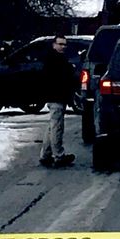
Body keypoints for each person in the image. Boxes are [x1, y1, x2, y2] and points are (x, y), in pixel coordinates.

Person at [39, 34, 77, 168]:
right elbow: (61, 79)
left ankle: (46, 154)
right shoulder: (55, 61)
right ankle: (58, 155)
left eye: (64, 44)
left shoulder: (55, 59)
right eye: (60, 44)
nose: (63, 47)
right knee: (57, 127)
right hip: (57, 96)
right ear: (54, 45)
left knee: (52, 126)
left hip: (55, 96)